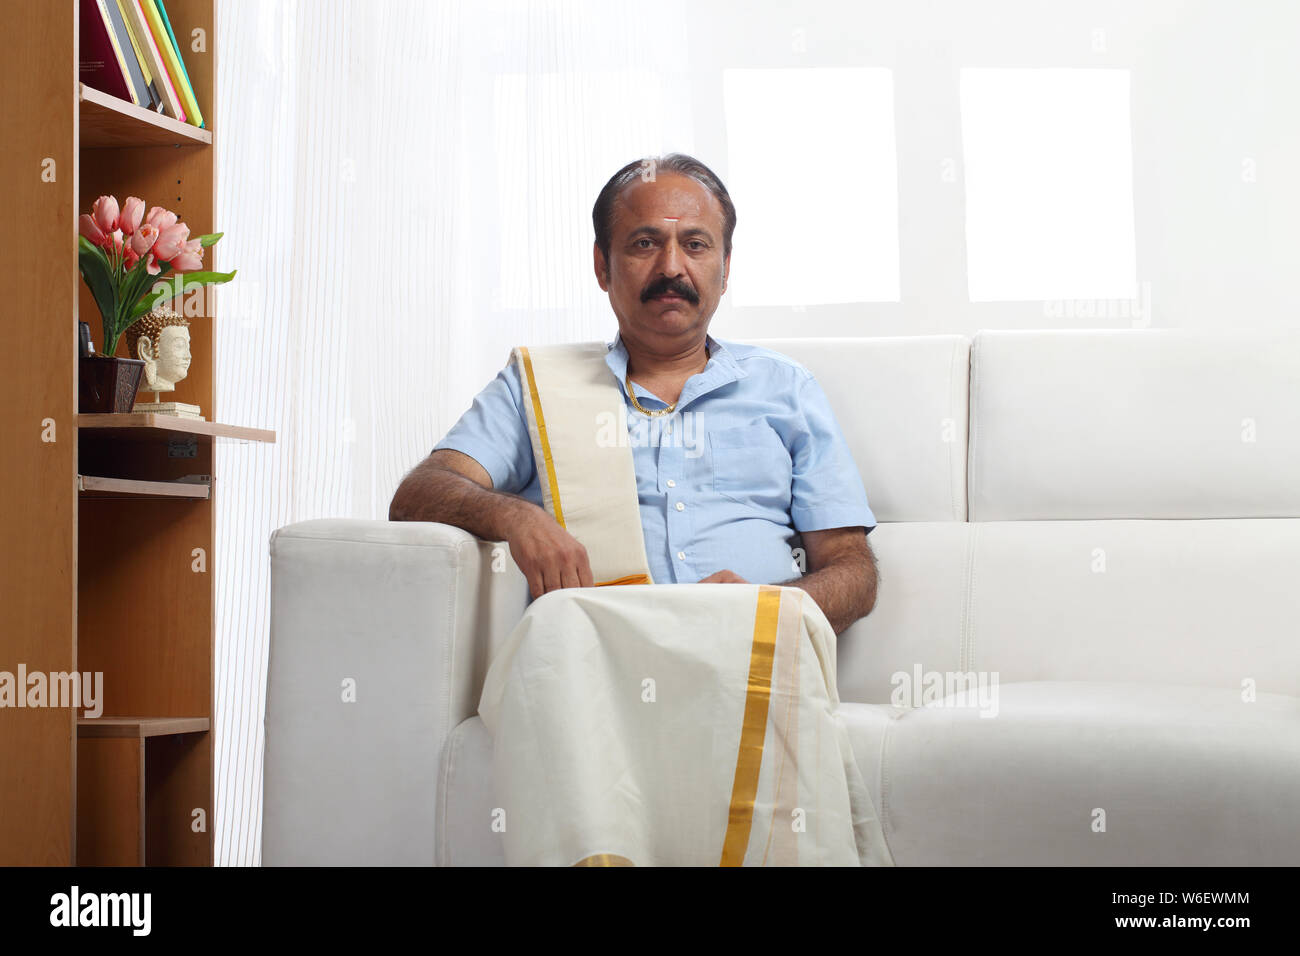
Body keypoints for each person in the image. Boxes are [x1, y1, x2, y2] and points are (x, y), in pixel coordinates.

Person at [389, 153, 878, 636]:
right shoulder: (538, 386)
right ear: (603, 265)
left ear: (725, 268)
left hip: (750, 660)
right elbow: (419, 494)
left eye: (695, 244)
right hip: (593, 669)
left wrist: (768, 607)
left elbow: (853, 573)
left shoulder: (786, 389)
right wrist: (516, 516)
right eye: (645, 243)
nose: (672, 267)